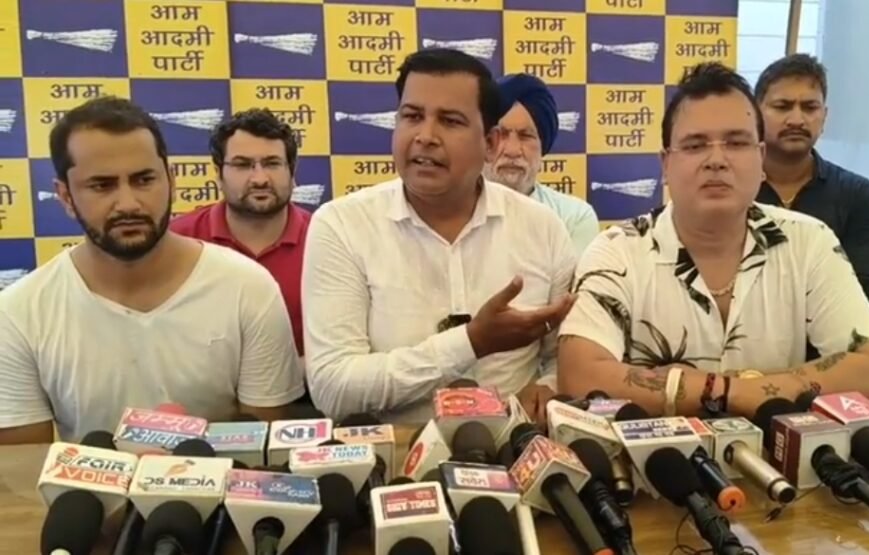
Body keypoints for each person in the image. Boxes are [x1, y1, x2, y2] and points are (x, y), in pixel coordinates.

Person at [557, 63, 869, 421]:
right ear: (665, 164)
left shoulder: (809, 242)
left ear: (761, 158)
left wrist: (727, 390)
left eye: (736, 143)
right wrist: (745, 392)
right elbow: (579, 378)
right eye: (695, 145)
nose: (716, 160)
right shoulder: (617, 251)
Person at [0, 97, 305, 444]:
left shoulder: (249, 288)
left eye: (144, 180)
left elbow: (264, 453)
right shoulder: (18, 313)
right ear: (66, 196)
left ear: (171, 181)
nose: (128, 203)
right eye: (102, 185)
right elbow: (23, 466)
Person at [303, 49, 577, 425]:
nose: (425, 136)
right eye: (412, 116)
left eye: (450, 121)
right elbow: (332, 388)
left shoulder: (544, 229)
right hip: (395, 450)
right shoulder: (342, 226)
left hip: (516, 446)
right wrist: (471, 342)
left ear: (490, 143)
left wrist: (549, 385)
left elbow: (561, 359)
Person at [754, 54, 869, 321]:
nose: (797, 119)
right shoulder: (732, 193)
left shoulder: (857, 196)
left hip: (832, 346)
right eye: (782, 106)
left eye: (810, 107)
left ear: (824, 116)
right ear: (756, 114)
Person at [171, 108, 311, 358]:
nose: (259, 179)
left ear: (292, 171)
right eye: (242, 165)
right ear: (218, 174)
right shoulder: (177, 239)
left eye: (272, 163)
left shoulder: (325, 238)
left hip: (305, 383)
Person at [484, 73, 600, 255]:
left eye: (525, 136)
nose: (512, 150)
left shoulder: (573, 217)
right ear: (485, 142)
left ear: (543, 147)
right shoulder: (451, 213)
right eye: (502, 135)